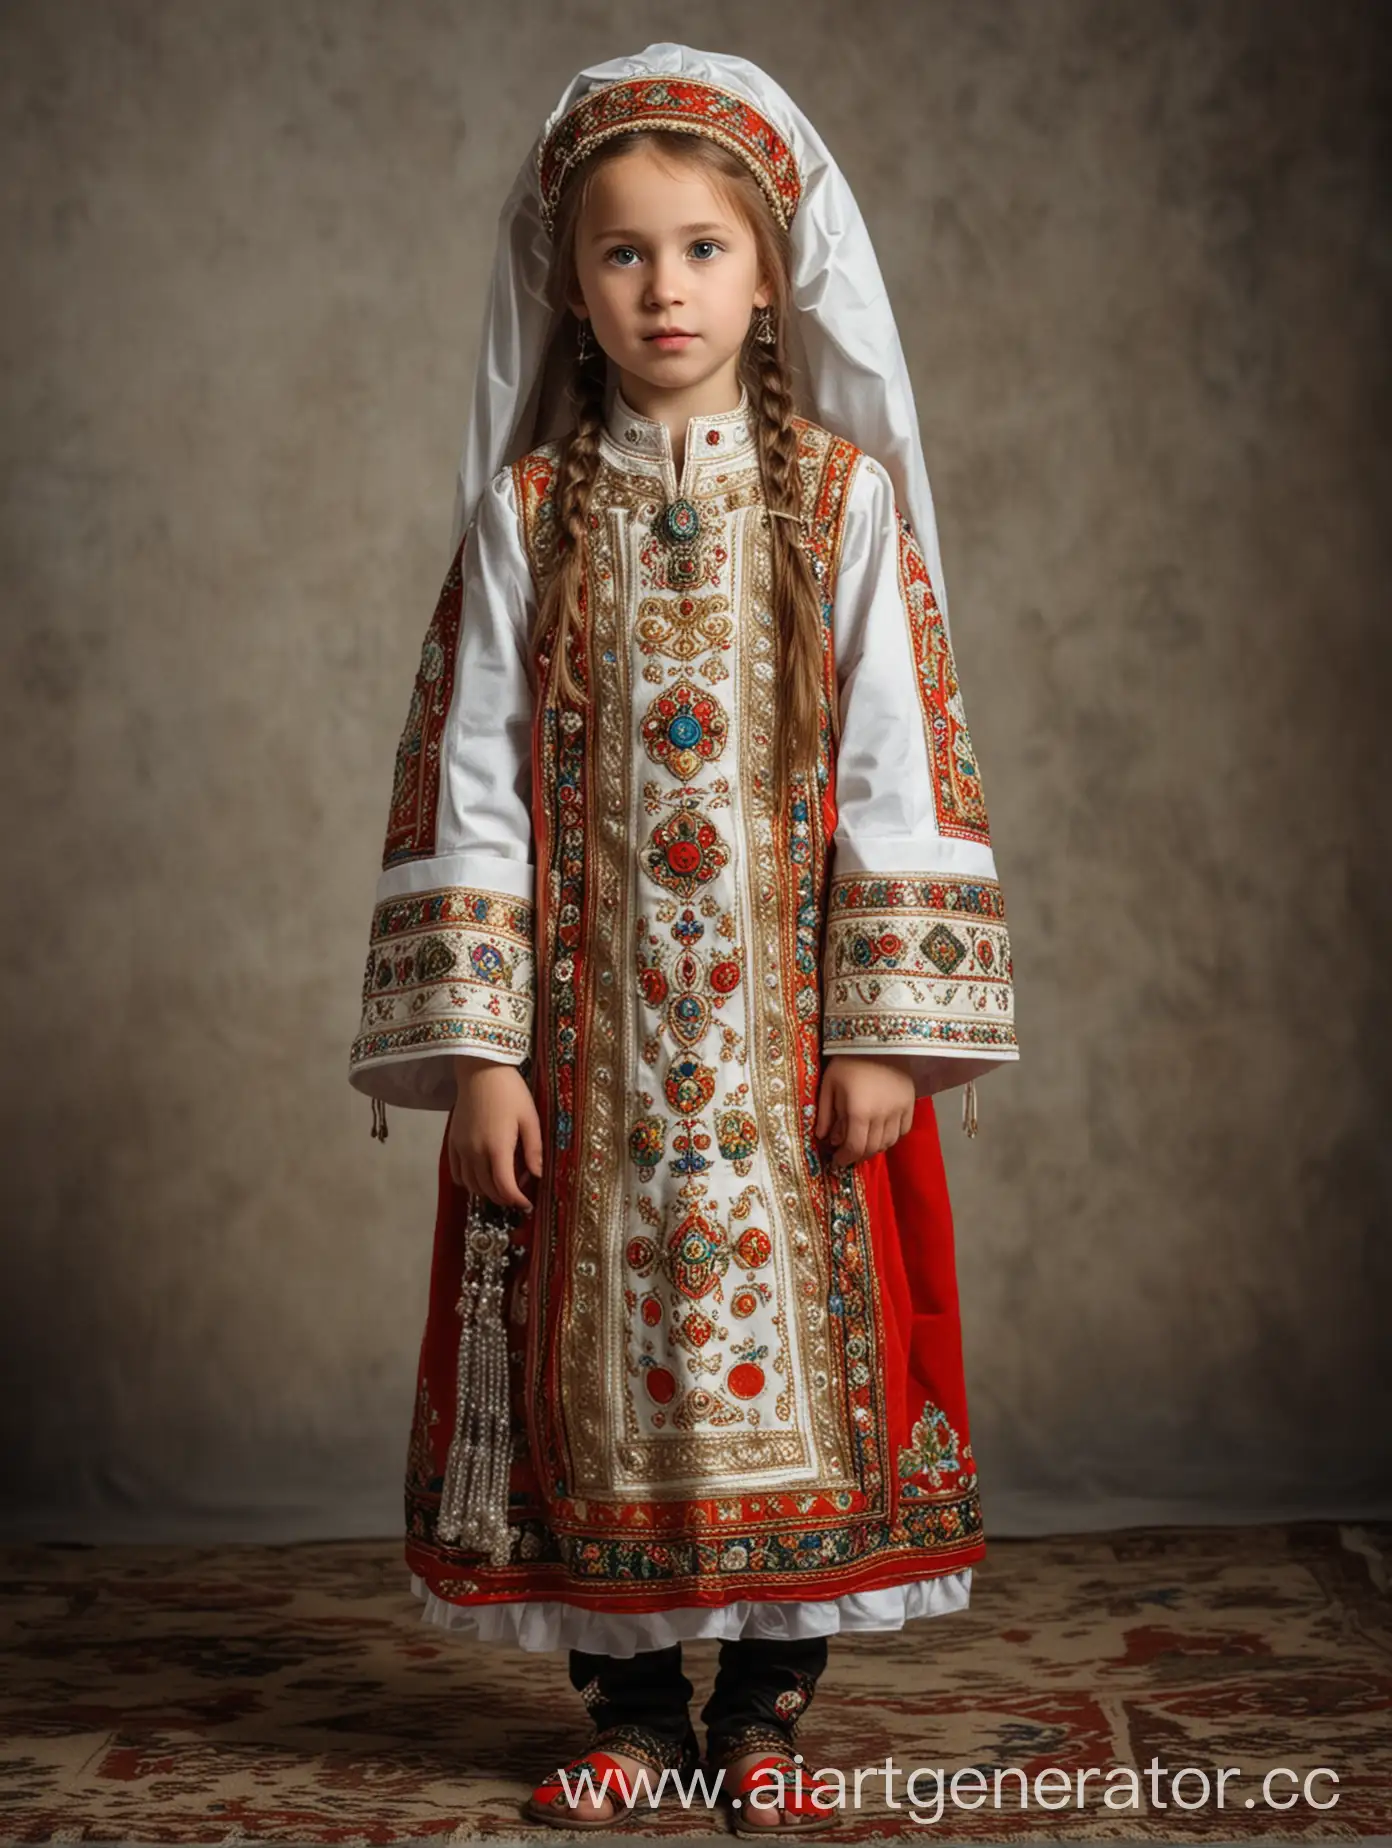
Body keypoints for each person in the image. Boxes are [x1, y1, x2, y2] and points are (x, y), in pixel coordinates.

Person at [348, 43, 1018, 1833]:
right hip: (585, 1059)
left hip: (791, 1050)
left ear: (770, 271)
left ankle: (767, 1711)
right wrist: (480, 1054)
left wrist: (885, 1030)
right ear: (569, 284)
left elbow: (900, 762)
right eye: (626, 253)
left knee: (795, 1356)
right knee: (601, 1385)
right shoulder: (528, 519)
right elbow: (470, 779)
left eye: (704, 248)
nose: (667, 288)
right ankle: (634, 1708)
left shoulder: (844, 506)